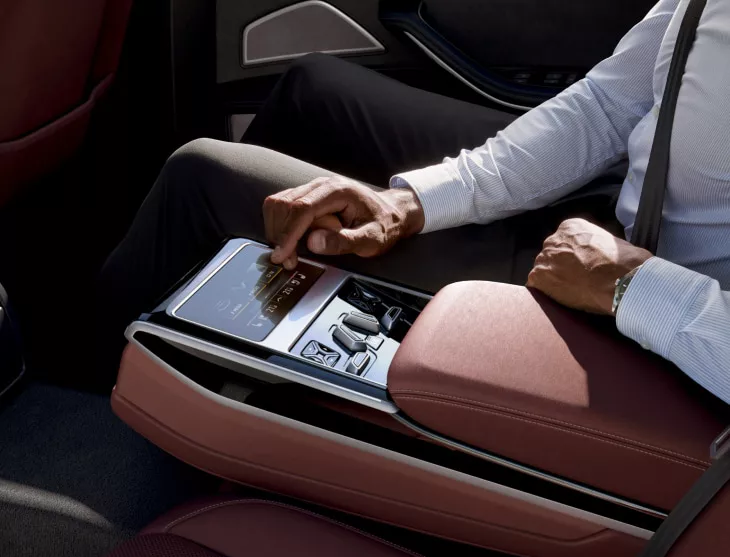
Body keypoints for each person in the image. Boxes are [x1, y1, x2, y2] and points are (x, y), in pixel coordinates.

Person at [99, 0, 730, 405]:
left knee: (202, 179)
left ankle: (78, 414)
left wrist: (631, 286)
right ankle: (227, 381)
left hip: (664, 337)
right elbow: (610, 105)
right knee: (312, 92)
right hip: (616, 222)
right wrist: (411, 203)